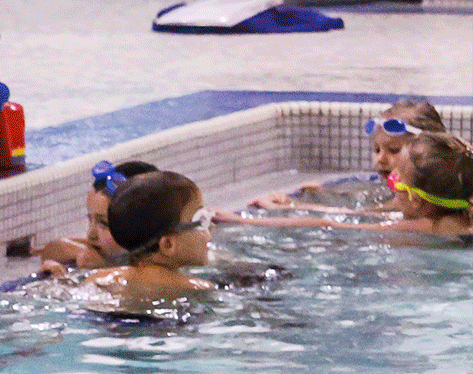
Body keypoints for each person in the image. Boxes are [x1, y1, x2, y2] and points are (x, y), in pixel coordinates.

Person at [217, 133, 472, 242]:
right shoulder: (459, 219)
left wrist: (245, 221)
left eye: (396, 182)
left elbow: (333, 225)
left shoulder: (424, 228)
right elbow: (376, 215)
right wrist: (297, 205)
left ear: (417, 200)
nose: (390, 183)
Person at [249, 98, 449, 216]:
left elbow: (363, 215)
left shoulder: (419, 196)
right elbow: (367, 199)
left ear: (426, 150)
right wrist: (329, 193)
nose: (381, 159)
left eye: (394, 151)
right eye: (377, 150)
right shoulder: (406, 188)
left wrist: (292, 207)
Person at [85, 171, 214, 299]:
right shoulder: (196, 288)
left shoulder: (98, 279)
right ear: (168, 244)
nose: (210, 229)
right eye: (201, 221)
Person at [38, 159, 157, 275]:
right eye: (90, 220)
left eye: (104, 223)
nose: (91, 235)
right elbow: (53, 247)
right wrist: (79, 251)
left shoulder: (151, 270)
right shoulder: (106, 251)